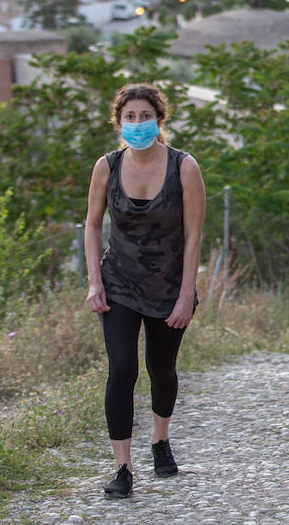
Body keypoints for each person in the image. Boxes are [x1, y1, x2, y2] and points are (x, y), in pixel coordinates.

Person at [85, 83, 205, 499]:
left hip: (169, 286)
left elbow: (194, 236)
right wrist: (94, 282)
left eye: (145, 116)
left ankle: (160, 439)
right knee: (122, 369)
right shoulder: (107, 166)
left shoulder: (184, 167)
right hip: (118, 283)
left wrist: (187, 293)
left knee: (161, 369)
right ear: (119, 123)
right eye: (129, 117)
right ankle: (122, 468)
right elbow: (91, 224)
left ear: (160, 120)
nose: (138, 124)